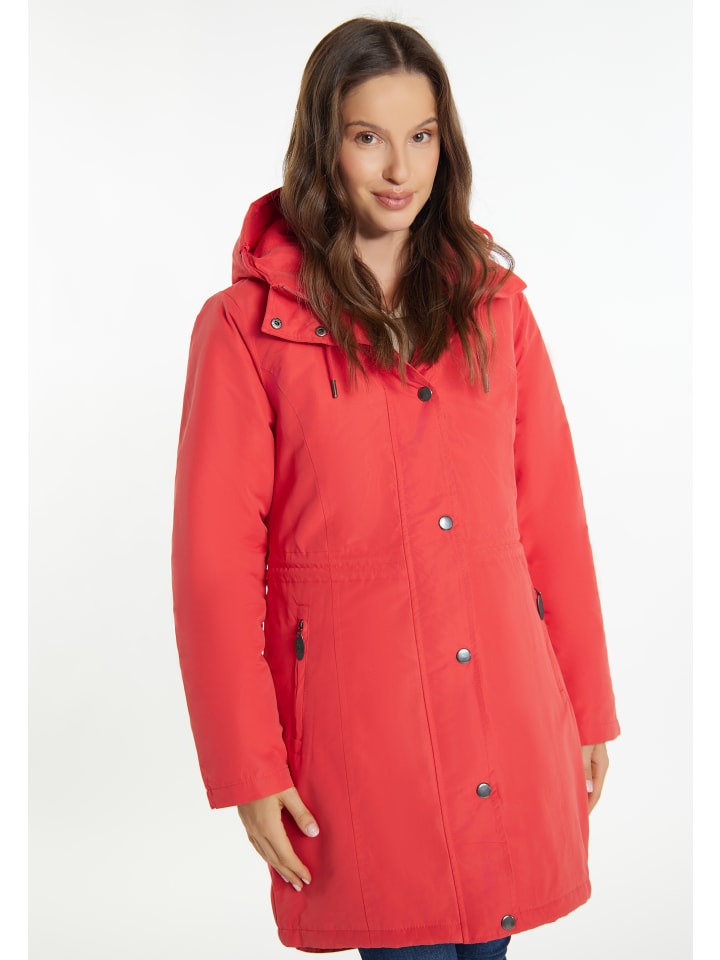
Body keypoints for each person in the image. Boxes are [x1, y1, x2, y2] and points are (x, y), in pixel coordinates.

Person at [171, 16, 620, 960]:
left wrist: (587, 704)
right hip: (361, 737)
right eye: (367, 136)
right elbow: (214, 568)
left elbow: (551, 521)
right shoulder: (248, 328)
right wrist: (247, 765)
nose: (398, 168)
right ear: (323, 143)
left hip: (506, 709)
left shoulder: (496, 311)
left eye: (420, 136)